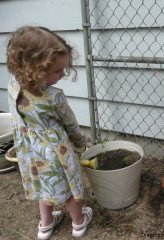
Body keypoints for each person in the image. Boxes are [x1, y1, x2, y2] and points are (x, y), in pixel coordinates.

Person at [6, 26, 93, 239]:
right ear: (34, 69)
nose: (62, 74)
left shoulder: (12, 86)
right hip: (56, 152)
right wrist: (81, 144)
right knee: (70, 187)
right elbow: (71, 125)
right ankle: (79, 223)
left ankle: (45, 225)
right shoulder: (54, 97)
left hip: (31, 152)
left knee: (45, 186)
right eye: (57, 71)